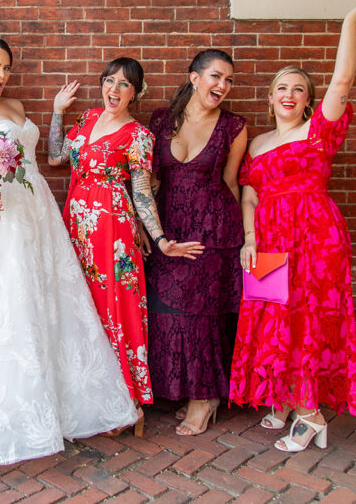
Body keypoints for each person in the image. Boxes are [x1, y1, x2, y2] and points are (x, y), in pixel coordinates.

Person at [0, 36, 137, 466]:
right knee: (5, 303)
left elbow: (37, 159)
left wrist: (57, 113)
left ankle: (58, 401)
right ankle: (9, 410)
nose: (2, 76)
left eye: (6, 68)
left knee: (46, 299)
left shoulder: (18, 109)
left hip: (35, 210)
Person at [230, 0, 356, 452]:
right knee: (270, 318)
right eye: (282, 87)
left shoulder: (318, 131)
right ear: (270, 98)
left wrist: (349, 23)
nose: (289, 94)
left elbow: (342, 81)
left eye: (299, 88)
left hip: (315, 235)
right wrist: (248, 239)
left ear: (309, 101)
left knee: (306, 322)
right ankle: (285, 395)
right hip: (267, 238)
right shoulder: (258, 142)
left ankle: (310, 414)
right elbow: (249, 194)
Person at [48, 56, 204, 436]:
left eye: (123, 84)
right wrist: (56, 112)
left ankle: (128, 402)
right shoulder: (85, 119)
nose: (113, 90)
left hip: (113, 232)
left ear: (136, 92)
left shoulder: (139, 136)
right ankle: (92, 396)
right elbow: (55, 157)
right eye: (109, 81)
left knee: (117, 312)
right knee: (82, 311)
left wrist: (161, 238)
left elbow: (141, 194)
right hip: (76, 230)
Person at [144, 50, 247, 437]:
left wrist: (243, 239)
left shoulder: (233, 127)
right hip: (168, 227)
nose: (222, 85)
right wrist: (147, 227)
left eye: (229, 80)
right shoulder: (160, 121)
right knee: (167, 310)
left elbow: (233, 183)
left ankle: (203, 400)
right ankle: (186, 391)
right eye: (216, 76)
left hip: (213, 232)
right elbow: (148, 180)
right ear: (194, 78)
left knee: (201, 316)